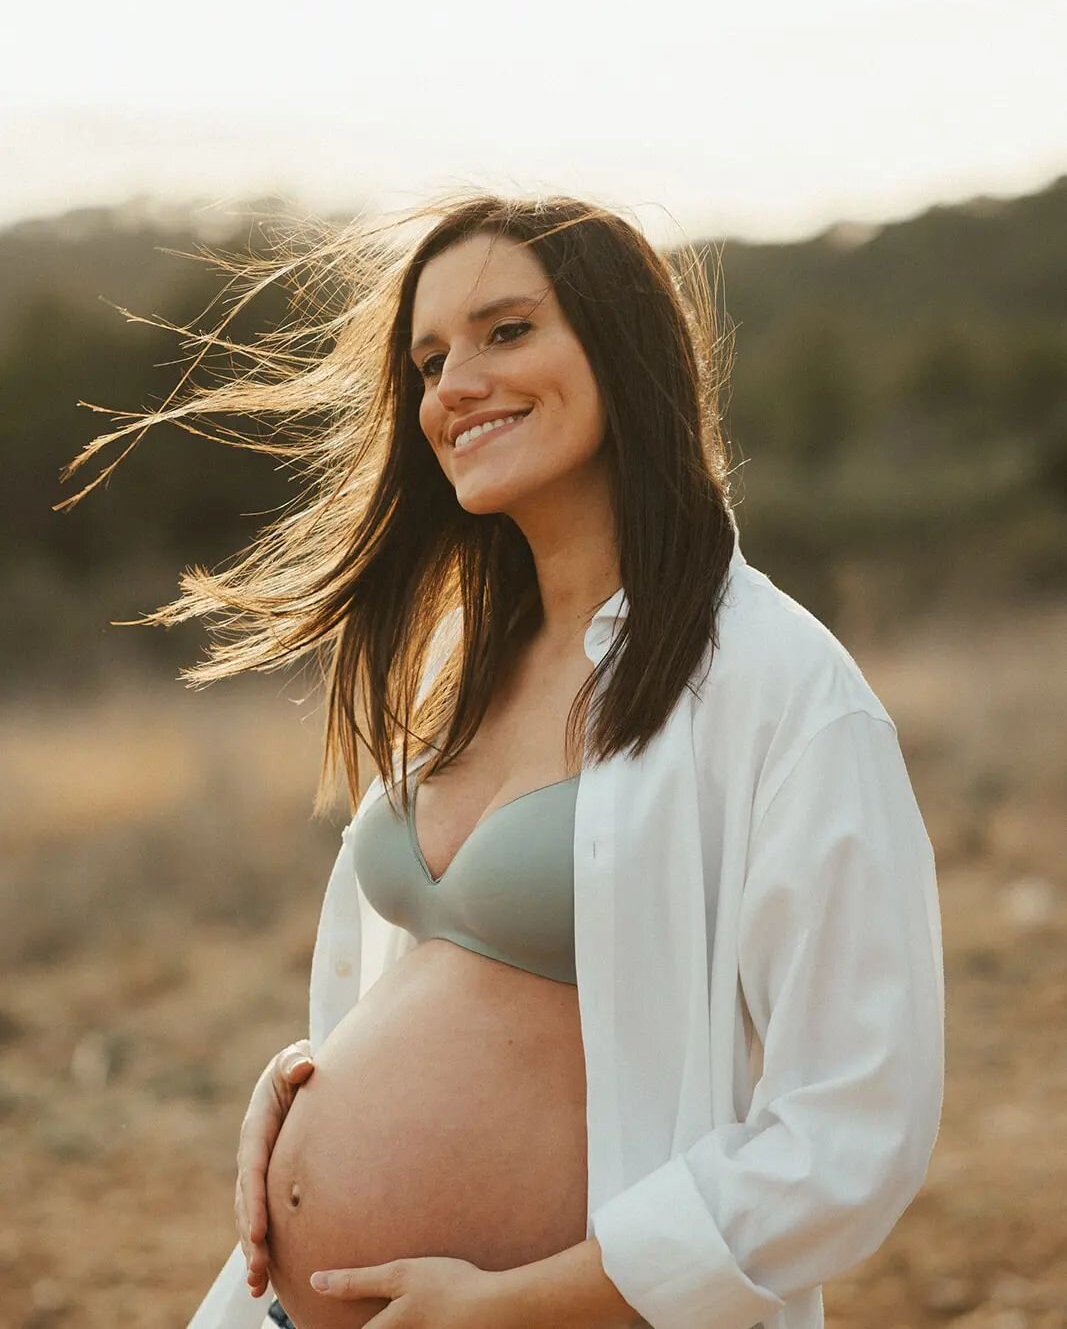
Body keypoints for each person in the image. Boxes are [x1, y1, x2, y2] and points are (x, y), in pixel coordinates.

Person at [62, 191, 945, 1329]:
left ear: (623, 348)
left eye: (505, 330)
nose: (452, 386)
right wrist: (299, 1087)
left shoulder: (779, 690)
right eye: (428, 360)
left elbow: (850, 1129)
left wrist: (514, 1303)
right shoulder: (460, 665)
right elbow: (452, 982)